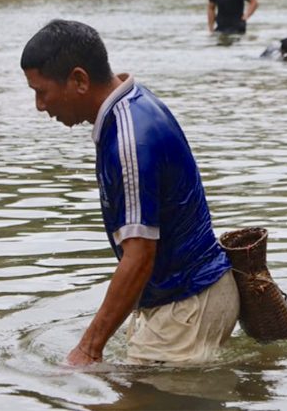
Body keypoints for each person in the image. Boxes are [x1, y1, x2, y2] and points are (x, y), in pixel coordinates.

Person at [20, 19, 238, 366]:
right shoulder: (131, 106)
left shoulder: (128, 140)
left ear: (79, 80)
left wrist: (88, 349)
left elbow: (139, 257)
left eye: (41, 91)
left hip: (189, 303)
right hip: (191, 295)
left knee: (127, 392)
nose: (39, 105)